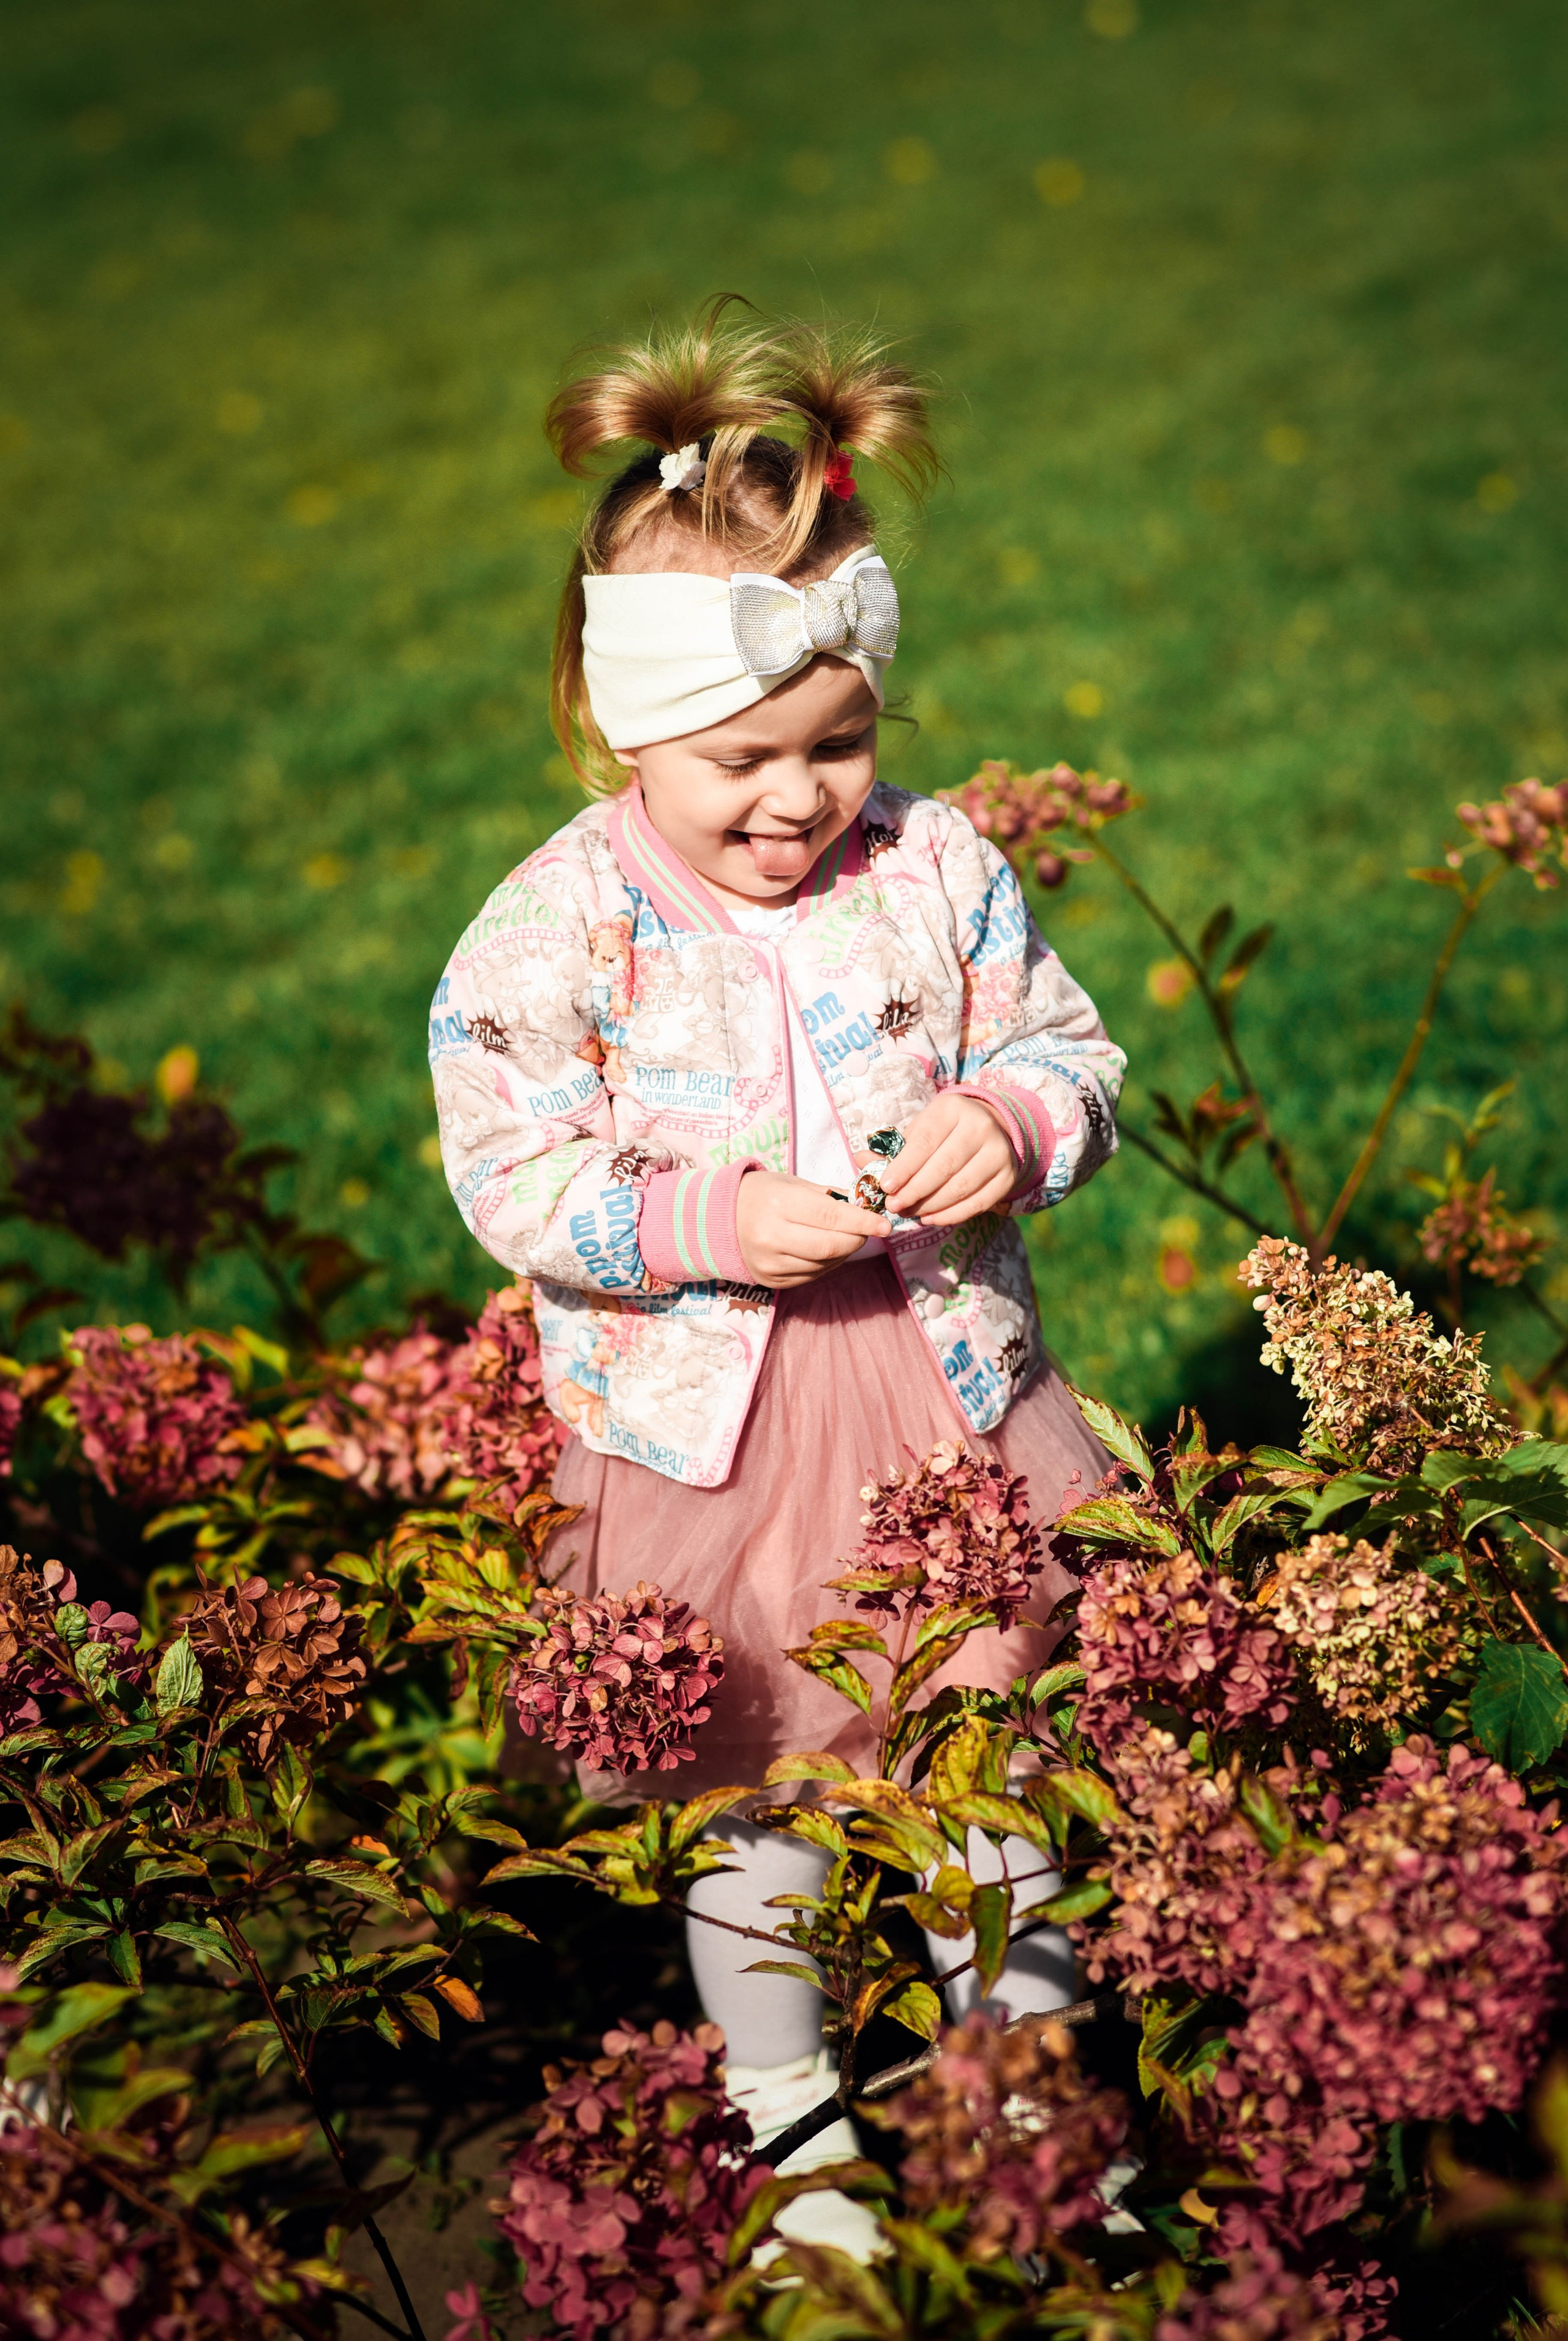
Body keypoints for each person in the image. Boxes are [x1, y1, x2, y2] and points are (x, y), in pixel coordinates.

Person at [430, 304, 1125, 2253]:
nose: (800, 801)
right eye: (743, 760)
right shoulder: (559, 924)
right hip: (709, 1448)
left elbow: (1069, 1051)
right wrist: (703, 1221)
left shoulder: (938, 866)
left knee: (998, 1776)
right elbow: (509, 1165)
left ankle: (1036, 2113)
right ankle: (793, 2118)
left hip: (945, 1396)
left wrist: (1013, 1120)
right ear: (615, 722)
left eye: (841, 744)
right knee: (764, 1812)